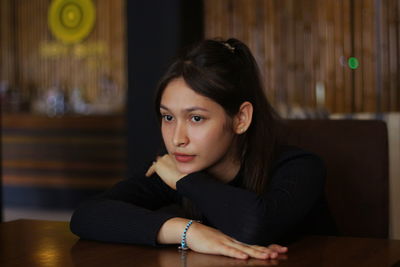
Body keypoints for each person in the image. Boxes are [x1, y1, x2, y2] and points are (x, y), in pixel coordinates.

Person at [70, 38, 336, 260]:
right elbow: (87, 216)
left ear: (241, 119)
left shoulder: (300, 167)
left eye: (196, 118)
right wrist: (188, 231)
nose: (177, 139)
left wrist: (184, 180)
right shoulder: (175, 168)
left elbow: (256, 224)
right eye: (168, 117)